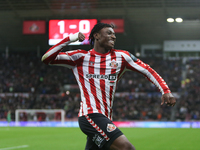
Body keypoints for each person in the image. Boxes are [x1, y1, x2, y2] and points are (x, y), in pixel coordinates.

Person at [41, 23, 176, 150]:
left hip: (105, 117)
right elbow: (47, 58)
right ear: (97, 36)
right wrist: (70, 38)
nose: (114, 36)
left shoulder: (122, 57)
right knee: (126, 148)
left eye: (114, 34)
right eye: (109, 33)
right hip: (90, 115)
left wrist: (165, 90)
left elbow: (148, 70)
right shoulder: (80, 57)